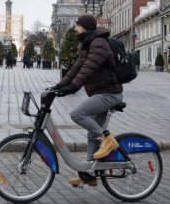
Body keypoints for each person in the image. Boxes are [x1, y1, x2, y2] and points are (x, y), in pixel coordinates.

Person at [49, 14, 123, 188]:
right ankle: (89, 174)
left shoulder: (99, 43)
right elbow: (76, 69)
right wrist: (57, 87)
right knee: (91, 135)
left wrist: (73, 87)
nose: (75, 28)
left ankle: (108, 139)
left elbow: (88, 69)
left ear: (86, 27)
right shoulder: (88, 43)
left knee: (77, 114)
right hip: (100, 93)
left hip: (109, 94)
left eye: (78, 25)